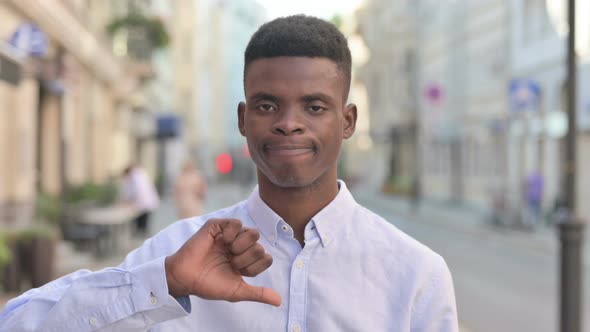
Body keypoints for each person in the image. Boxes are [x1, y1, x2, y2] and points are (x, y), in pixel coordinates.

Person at [0, 15, 458, 331]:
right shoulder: (177, 252)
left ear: (348, 121)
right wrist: (164, 283)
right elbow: (17, 322)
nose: (288, 121)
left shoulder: (415, 274)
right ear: (243, 119)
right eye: (267, 105)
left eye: (314, 106)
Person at [122, 164, 160, 236]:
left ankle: (141, 236)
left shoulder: (136, 176)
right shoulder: (139, 174)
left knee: (142, 222)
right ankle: (141, 235)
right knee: (142, 222)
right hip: (145, 203)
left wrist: (132, 202)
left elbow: (138, 192)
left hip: (145, 203)